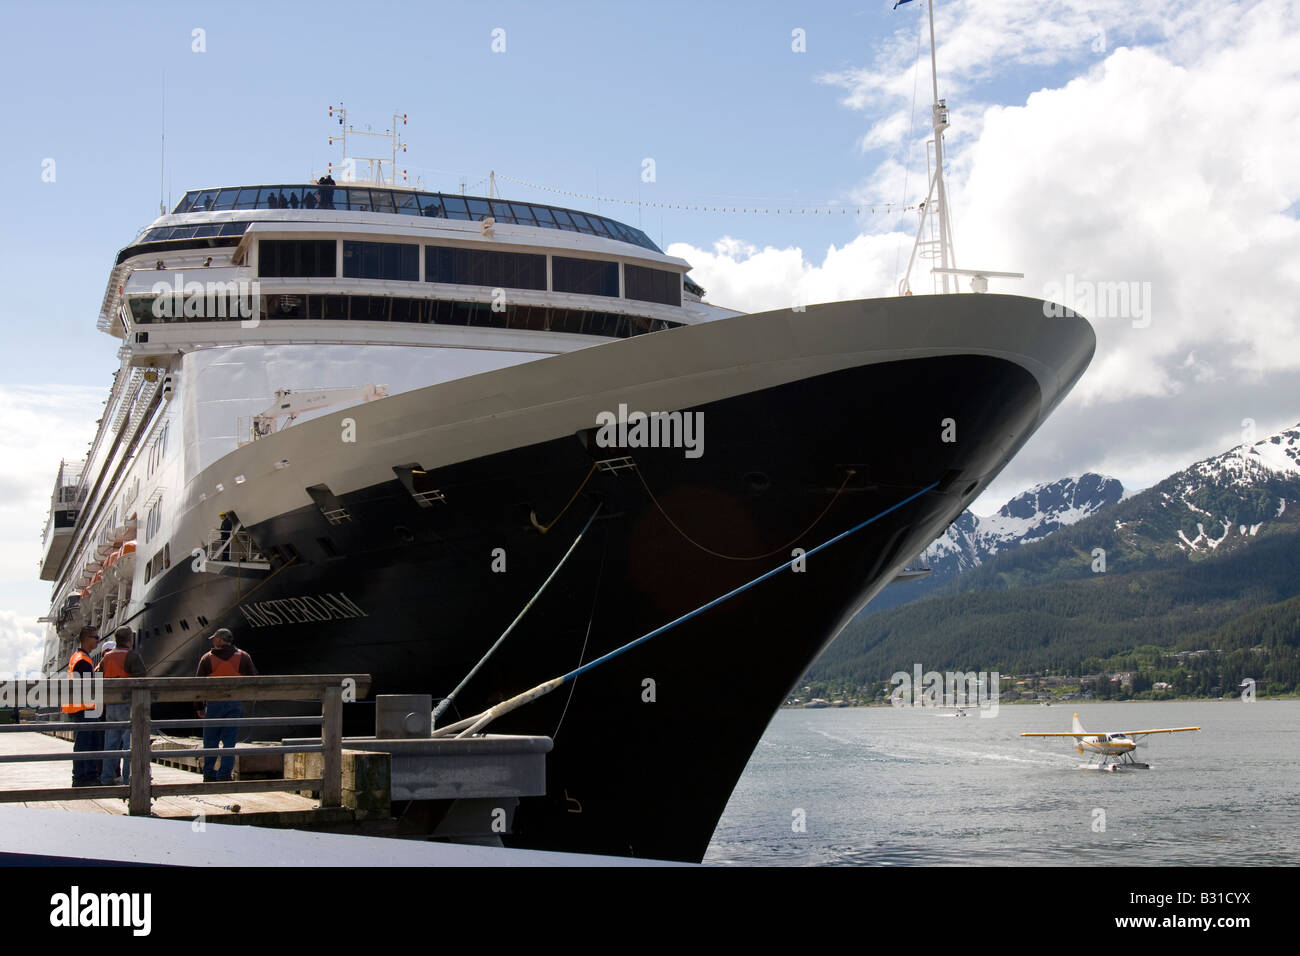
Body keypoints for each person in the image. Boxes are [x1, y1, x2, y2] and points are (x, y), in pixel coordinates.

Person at [196, 628, 256, 782]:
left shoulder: (207, 658)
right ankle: (224, 775)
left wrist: (199, 707)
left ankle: (209, 774)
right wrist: (249, 699)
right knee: (230, 741)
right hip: (235, 702)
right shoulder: (244, 657)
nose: (212, 641)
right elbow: (254, 679)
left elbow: (197, 685)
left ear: (221, 640)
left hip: (213, 703)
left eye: (214, 638)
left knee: (210, 741)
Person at [97, 626, 146, 786]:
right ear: (130, 640)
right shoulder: (131, 656)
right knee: (128, 743)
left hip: (111, 704)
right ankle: (127, 779)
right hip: (127, 703)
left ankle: (106, 778)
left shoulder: (106, 658)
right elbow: (142, 679)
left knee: (110, 743)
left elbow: (100, 678)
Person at [63, 626, 101, 786]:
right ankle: (82, 777)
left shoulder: (78, 657)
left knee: (85, 742)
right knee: (85, 744)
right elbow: (86, 686)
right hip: (84, 707)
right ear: (86, 639)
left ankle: (84, 776)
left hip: (80, 707)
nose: (98, 640)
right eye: (95, 638)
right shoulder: (82, 660)